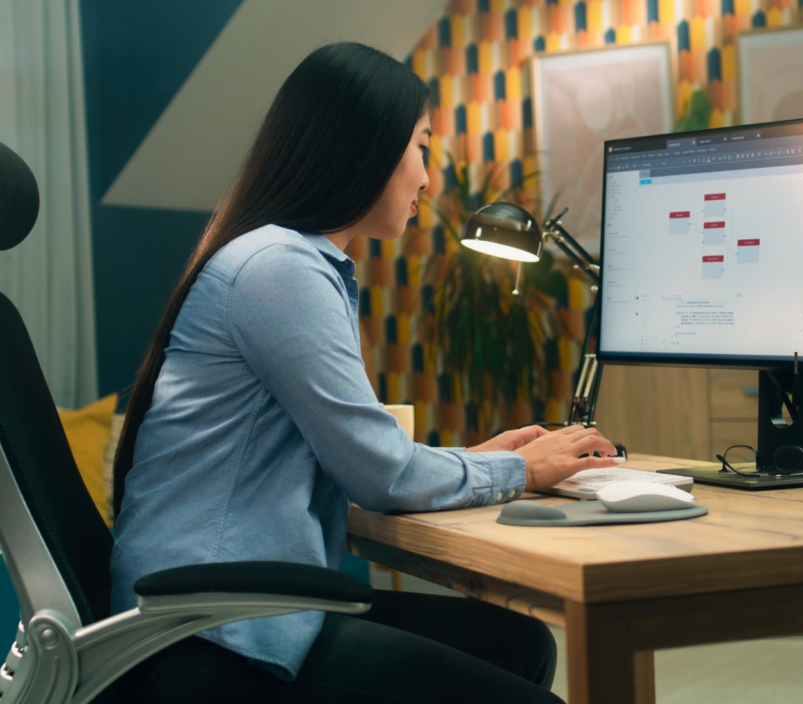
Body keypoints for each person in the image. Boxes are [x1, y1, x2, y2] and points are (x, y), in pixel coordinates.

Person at [110, 42, 622, 704]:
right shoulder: (279, 269)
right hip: (208, 637)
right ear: (364, 151)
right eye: (421, 148)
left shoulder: (280, 259)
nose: (428, 179)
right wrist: (523, 470)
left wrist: (467, 460)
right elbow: (379, 475)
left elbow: (360, 454)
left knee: (520, 645)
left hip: (231, 608)